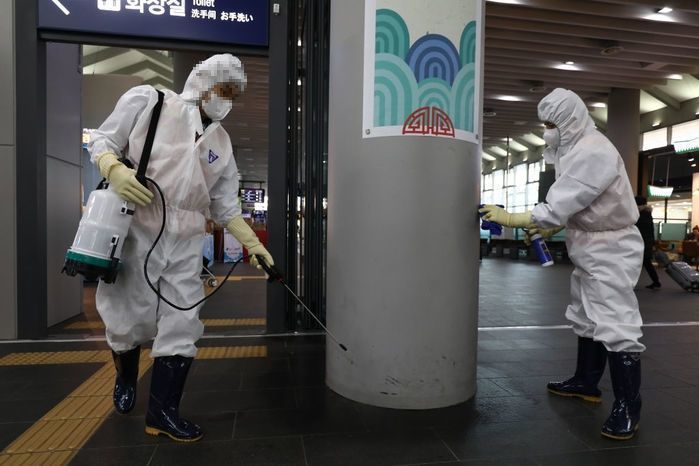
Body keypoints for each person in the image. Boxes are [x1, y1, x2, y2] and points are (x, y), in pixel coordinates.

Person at [88, 54, 274, 443]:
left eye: (233, 95)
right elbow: (104, 140)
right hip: (138, 227)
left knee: (182, 321)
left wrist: (252, 243)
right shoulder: (150, 101)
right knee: (127, 320)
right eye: (223, 90)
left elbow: (225, 204)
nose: (226, 101)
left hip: (187, 239)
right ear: (202, 82)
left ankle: (162, 413)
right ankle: (125, 376)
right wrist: (114, 168)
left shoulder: (221, 143)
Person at [479, 88, 644, 440]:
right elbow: (579, 201)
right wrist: (552, 224)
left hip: (611, 245)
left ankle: (629, 407)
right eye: (544, 123)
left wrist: (514, 218)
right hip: (587, 240)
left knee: (616, 322)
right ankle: (586, 382)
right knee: (586, 314)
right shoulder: (571, 147)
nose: (547, 130)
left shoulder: (593, 151)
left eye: (551, 123)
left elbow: (562, 201)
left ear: (570, 120)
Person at [635, 196, 661, 289]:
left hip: (643, 242)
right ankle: (656, 281)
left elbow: (638, 227)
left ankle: (656, 281)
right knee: (646, 262)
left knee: (640, 262)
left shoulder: (641, 215)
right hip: (646, 242)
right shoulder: (647, 213)